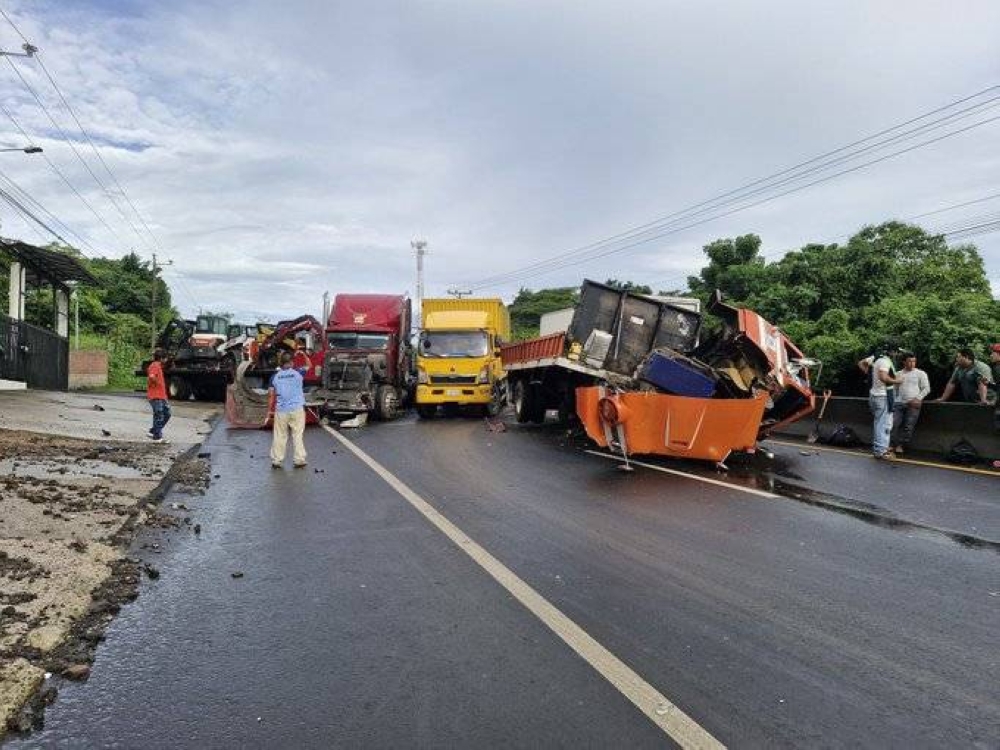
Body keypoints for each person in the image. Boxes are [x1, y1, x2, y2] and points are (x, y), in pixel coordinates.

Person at [858, 343, 902, 459]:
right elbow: (883, 377)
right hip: (882, 396)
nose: (897, 355)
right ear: (892, 352)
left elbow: (861, 363)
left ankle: (882, 447)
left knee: (881, 423)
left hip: (874, 394)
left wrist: (870, 375)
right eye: (896, 352)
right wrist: (897, 381)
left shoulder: (876, 357)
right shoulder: (885, 362)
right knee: (883, 424)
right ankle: (880, 451)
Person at [269, 351, 307, 469]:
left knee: (280, 435)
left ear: (281, 363)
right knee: (297, 435)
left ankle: (277, 460)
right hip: (297, 409)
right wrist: (303, 354)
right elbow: (309, 364)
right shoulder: (299, 372)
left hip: (281, 411)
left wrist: (269, 411)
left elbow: (271, 396)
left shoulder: (274, 376)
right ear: (292, 362)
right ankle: (299, 460)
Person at [889, 353, 930, 455]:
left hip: (913, 403)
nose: (912, 364)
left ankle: (901, 445)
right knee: (894, 423)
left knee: (909, 426)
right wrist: (893, 401)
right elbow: (894, 389)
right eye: (910, 361)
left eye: (914, 361)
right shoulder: (898, 373)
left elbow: (926, 388)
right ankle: (892, 444)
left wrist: (918, 399)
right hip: (899, 402)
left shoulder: (920, 373)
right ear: (904, 362)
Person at [146, 349, 171, 444]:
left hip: (161, 395)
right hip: (155, 395)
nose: (166, 359)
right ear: (161, 358)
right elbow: (152, 376)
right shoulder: (154, 366)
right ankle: (157, 437)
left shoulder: (159, 366)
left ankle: (153, 431)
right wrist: (157, 383)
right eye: (165, 358)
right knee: (159, 415)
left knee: (167, 414)